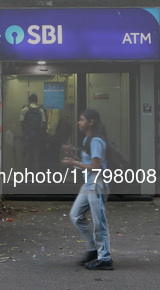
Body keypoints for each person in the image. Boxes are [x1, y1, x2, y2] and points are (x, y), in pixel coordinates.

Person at [61, 109, 113, 270]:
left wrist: (74, 163)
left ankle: (105, 258)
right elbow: (87, 164)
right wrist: (73, 157)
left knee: (100, 223)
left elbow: (95, 167)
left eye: (82, 120)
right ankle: (93, 249)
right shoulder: (87, 140)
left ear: (91, 122)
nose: (78, 122)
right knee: (75, 215)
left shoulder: (96, 140)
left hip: (96, 185)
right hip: (88, 185)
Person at [19, 94, 46, 171]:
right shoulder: (41, 110)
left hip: (27, 136)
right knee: (36, 156)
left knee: (26, 155)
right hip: (37, 137)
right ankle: (36, 175)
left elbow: (21, 123)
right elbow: (43, 123)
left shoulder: (24, 110)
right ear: (37, 101)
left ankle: (26, 175)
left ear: (29, 101)